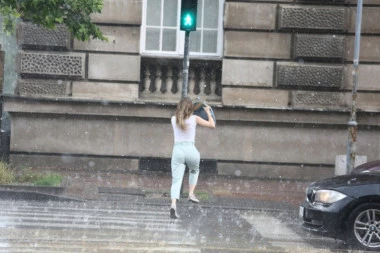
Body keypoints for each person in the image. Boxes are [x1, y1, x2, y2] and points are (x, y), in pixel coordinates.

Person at [170, 97, 215, 219]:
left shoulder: (173, 119)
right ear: (191, 108)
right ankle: (191, 193)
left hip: (178, 150)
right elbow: (212, 125)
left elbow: (181, 117)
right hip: (191, 150)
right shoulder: (195, 119)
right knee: (194, 170)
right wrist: (208, 112)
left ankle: (173, 205)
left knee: (176, 180)